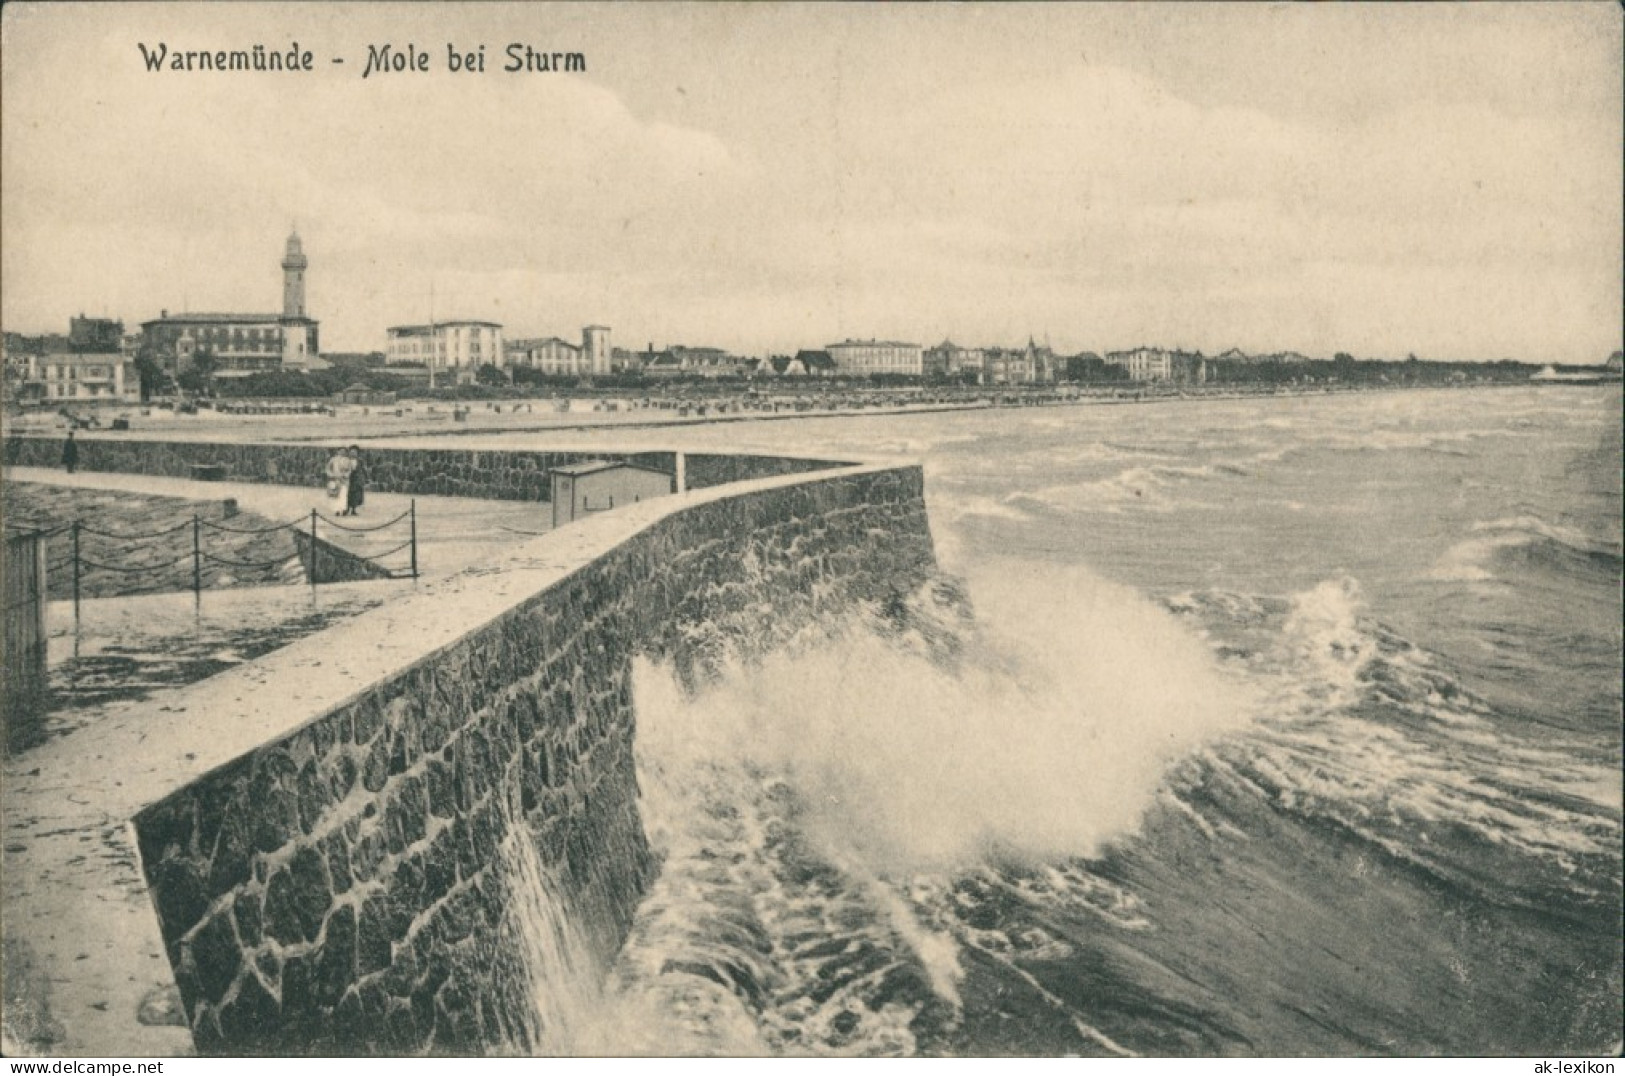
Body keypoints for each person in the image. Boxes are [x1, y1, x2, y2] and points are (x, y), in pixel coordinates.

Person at [324, 447, 355, 515]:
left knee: (343, 495)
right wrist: (331, 475)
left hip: (344, 480)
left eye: (344, 451)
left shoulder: (347, 460)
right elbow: (328, 468)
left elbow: (350, 470)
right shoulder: (333, 459)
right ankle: (337, 510)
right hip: (335, 479)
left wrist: (346, 475)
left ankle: (343, 509)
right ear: (338, 451)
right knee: (335, 495)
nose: (342, 452)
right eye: (341, 451)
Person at [345, 445, 366, 516]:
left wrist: (363, 479)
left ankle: (354, 509)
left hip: (357, 479)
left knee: (356, 495)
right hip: (348, 478)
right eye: (351, 452)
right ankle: (346, 508)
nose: (353, 454)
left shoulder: (360, 461)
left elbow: (363, 470)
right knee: (347, 494)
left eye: (355, 452)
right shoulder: (346, 460)